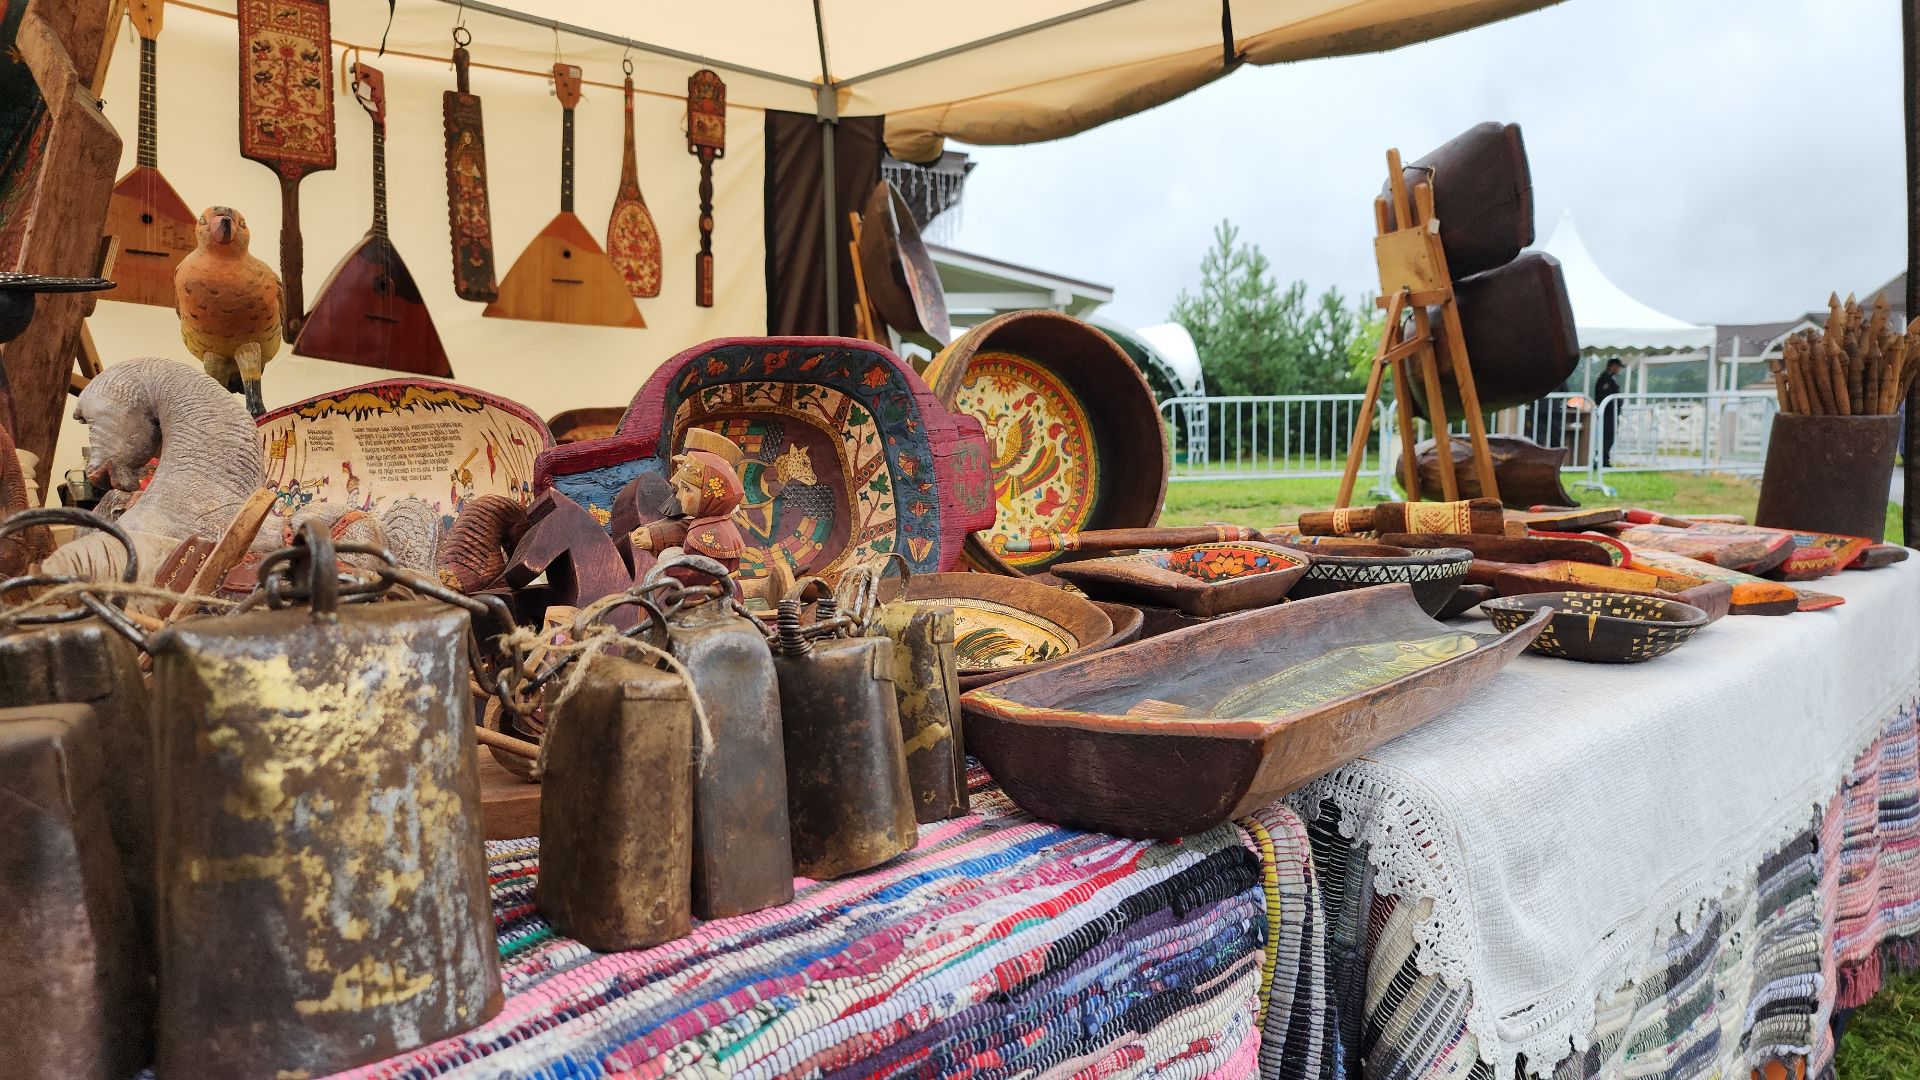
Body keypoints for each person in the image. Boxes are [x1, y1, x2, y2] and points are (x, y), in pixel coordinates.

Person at [1593, 358, 1625, 467]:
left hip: (1612, 413)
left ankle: (1604, 459)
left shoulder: (1611, 378)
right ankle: (1601, 459)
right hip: (1607, 413)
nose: (1618, 369)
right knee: (1607, 436)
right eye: (1617, 367)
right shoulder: (1604, 378)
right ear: (1612, 366)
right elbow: (1603, 395)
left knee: (1609, 436)